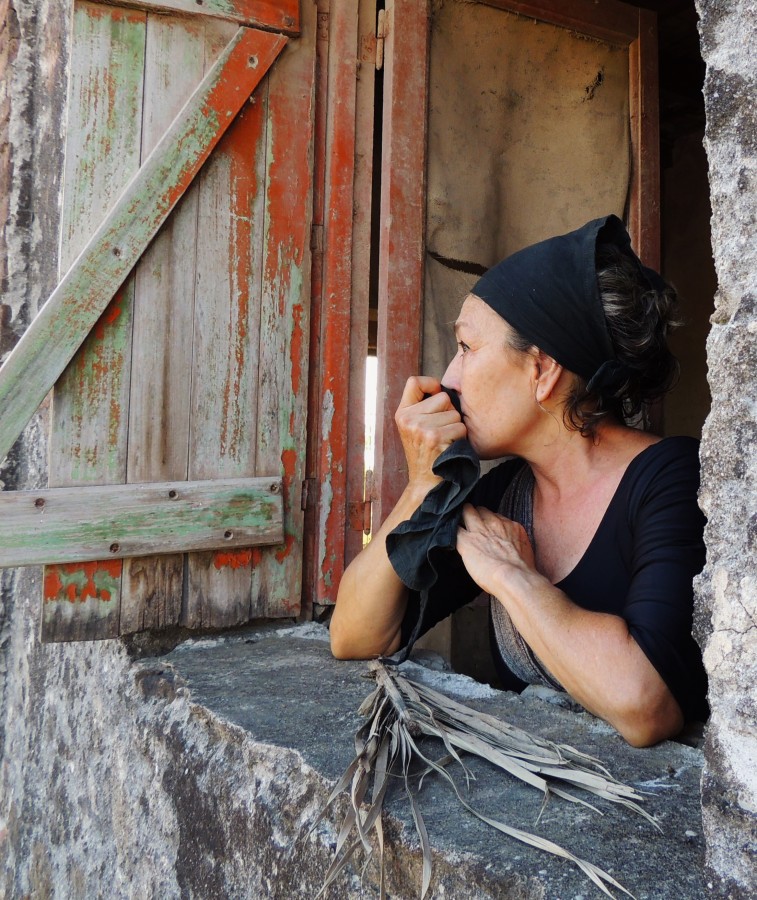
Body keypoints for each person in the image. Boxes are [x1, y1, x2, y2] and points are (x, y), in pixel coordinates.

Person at [330, 215, 708, 748]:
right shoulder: (504, 494)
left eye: (466, 348)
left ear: (543, 371)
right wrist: (421, 488)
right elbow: (355, 635)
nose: (450, 377)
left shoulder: (672, 480)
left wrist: (511, 576)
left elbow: (645, 705)